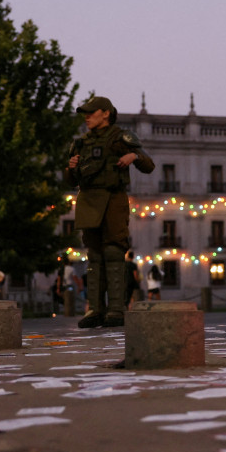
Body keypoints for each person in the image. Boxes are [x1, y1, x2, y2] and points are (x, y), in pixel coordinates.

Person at [67, 94, 155, 328]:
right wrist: (71, 168)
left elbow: (149, 165)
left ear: (105, 113)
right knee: (94, 256)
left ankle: (116, 309)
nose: (87, 117)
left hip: (113, 198)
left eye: (92, 112)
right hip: (87, 200)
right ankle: (95, 309)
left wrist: (133, 155)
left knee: (114, 253)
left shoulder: (121, 137)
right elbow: (69, 180)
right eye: (85, 113)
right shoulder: (80, 143)